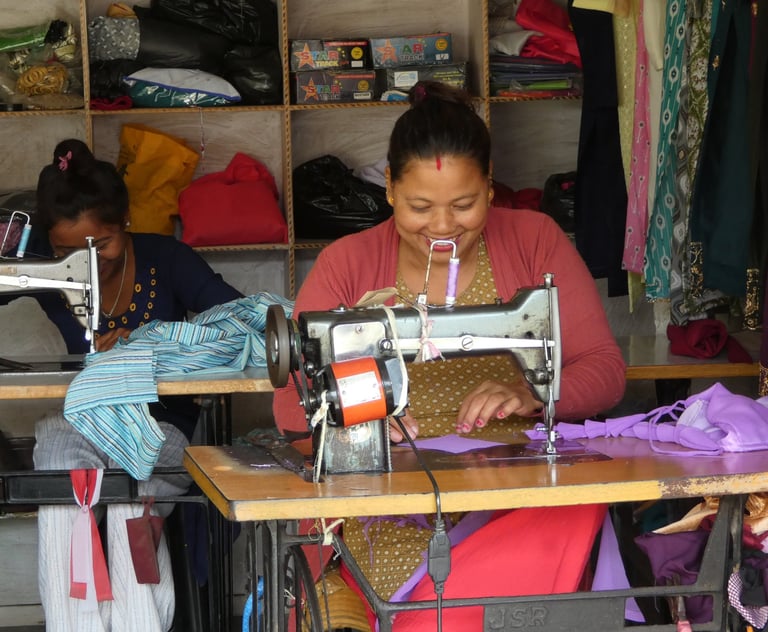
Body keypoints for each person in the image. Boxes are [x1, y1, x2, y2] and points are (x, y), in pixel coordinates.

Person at [272, 81, 627, 631]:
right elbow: (293, 408)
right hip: (391, 503)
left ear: (490, 188)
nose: (442, 227)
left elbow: (603, 367)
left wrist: (534, 394)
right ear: (388, 188)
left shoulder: (535, 239)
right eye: (420, 207)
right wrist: (356, 416)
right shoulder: (347, 263)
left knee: (576, 508)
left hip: (514, 490)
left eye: (464, 205)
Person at [31, 139, 242, 632]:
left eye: (100, 246)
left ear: (125, 222)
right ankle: (73, 626)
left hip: (161, 424)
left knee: (132, 492)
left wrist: (156, 341)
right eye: (66, 253)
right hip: (88, 418)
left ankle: (139, 624)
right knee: (64, 482)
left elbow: (242, 321)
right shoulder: (45, 269)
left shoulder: (166, 259)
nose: (87, 263)